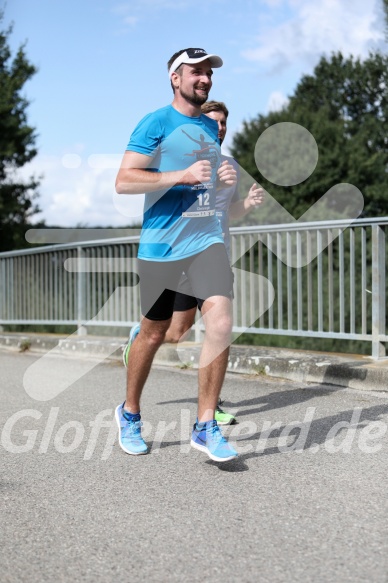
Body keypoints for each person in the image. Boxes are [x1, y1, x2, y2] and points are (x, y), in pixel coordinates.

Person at [115, 48, 238, 462]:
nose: (204, 79)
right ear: (175, 77)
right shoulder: (156, 122)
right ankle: (130, 412)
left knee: (220, 322)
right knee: (153, 333)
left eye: (208, 73)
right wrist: (179, 175)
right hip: (162, 247)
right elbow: (125, 180)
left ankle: (206, 425)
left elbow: (206, 189)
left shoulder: (209, 126)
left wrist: (224, 180)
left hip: (206, 242)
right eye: (196, 72)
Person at [123, 101, 264, 426]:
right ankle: (140, 335)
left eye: (223, 122)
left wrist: (246, 203)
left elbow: (228, 212)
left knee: (219, 328)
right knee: (174, 333)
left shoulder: (230, 164)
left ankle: (209, 413)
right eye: (214, 121)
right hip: (180, 254)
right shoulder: (182, 160)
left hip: (213, 255)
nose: (219, 127)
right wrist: (193, 179)